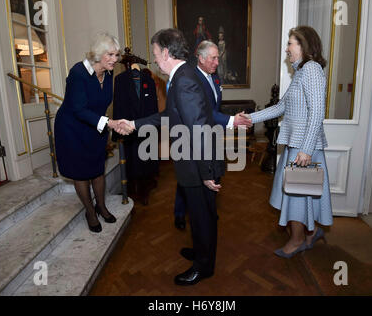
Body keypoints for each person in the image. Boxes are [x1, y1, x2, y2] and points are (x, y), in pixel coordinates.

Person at [120, 28, 225, 286]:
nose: (154, 60)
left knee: (202, 216)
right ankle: (203, 252)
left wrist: (208, 174)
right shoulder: (183, 76)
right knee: (201, 214)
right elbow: (169, 116)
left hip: (198, 163)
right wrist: (134, 124)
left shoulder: (184, 79)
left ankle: (204, 267)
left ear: (166, 52)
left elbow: (198, 128)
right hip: (196, 160)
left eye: (156, 53)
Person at [241, 26, 333, 258]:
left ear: (304, 46)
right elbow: (281, 107)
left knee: (297, 196)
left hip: (304, 149)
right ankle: (310, 235)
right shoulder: (301, 73)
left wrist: (306, 150)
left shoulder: (311, 70)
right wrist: (250, 118)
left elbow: (317, 113)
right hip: (298, 147)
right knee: (301, 195)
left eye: (291, 43)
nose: (287, 48)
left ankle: (298, 240)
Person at [173, 40, 251, 230]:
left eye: (218, 57)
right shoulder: (191, 79)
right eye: (213, 58)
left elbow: (216, 107)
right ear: (200, 58)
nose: (218, 62)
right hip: (195, 137)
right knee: (189, 180)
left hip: (213, 134)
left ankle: (209, 210)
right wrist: (232, 120)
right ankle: (180, 214)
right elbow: (206, 112)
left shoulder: (215, 78)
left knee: (213, 173)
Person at [54, 32, 125, 233]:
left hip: (96, 127)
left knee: (97, 169)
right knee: (81, 173)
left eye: (116, 55)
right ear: (99, 54)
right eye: (110, 55)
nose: (115, 59)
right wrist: (110, 123)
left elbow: (102, 104)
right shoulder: (78, 72)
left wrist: (108, 126)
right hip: (73, 130)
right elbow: (78, 109)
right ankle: (90, 212)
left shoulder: (109, 73)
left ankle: (101, 206)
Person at [112, 66, 159, 206]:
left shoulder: (149, 81)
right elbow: (117, 106)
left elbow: (153, 108)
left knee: (145, 160)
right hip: (127, 129)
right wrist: (117, 131)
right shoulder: (120, 80)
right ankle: (132, 189)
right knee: (131, 160)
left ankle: (144, 189)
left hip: (145, 129)